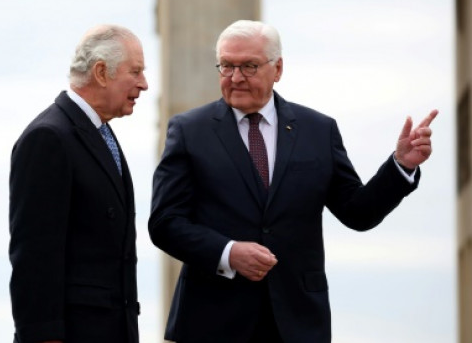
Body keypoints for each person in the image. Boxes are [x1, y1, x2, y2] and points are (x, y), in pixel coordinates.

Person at [148, 19, 437, 343]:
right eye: (227, 66)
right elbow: (165, 222)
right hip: (212, 321)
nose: (236, 77)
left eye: (249, 66)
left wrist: (400, 166)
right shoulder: (189, 131)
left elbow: (358, 212)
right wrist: (228, 253)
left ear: (278, 68)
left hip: (297, 323)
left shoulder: (318, 130)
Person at [9, 24, 149, 343]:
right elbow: (34, 256)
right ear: (101, 72)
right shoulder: (49, 137)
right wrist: (43, 337)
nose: (144, 84)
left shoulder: (99, 131)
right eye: (136, 71)